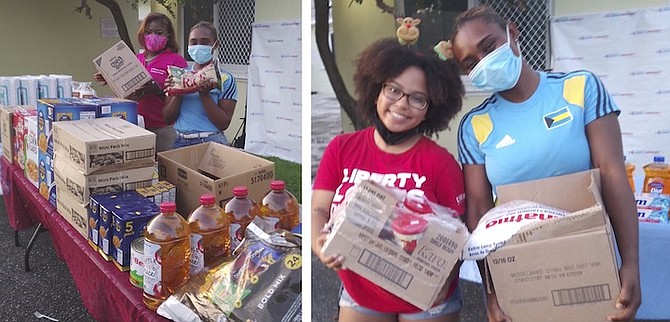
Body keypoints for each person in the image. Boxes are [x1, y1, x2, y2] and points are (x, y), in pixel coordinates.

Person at [449, 6, 641, 322]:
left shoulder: (580, 88)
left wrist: (631, 262)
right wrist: (492, 292)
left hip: (590, 259)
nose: (485, 62)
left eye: (489, 46)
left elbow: (612, 173)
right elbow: (479, 212)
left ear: (512, 32)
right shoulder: (474, 126)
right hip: (520, 277)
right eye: (472, 63)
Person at [311, 38, 467, 322]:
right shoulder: (342, 149)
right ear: (376, 91)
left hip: (427, 298)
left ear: (430, 109)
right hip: (361, 291)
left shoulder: (440, 162)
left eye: (417, 98)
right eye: (393, 90)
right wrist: (319, 245)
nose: (402, 104)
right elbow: (318, 209)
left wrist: (442, 283)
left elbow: (456, 236)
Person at [94, 12, 187, 153]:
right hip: (135, 125)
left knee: (163, 171)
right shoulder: (135, 59)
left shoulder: (176, 61)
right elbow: (124, 93)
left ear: (167, 36)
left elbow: (180, 97)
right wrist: (111, 78)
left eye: (159, 32)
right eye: (148, 32)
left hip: (163, 129)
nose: (153, 36)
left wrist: (156, 90)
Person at [163, 21, 238, 149]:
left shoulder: (225, 79)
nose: (199, 46)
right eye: (194, 42)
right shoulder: (179, 74)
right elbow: (167, 117)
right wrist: (179, 91)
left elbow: (223, 123)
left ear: (215, 45)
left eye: (205, 42)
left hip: (210, 141)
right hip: (180, 140)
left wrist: (204, 94)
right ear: (188, 45)